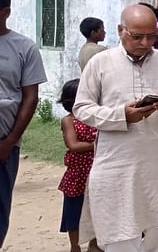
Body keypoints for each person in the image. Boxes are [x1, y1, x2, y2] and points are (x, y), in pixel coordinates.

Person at [73, 4, 158, 252]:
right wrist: (121, 115)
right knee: (120, 232)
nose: (145, 43)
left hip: (157, 163)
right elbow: (81, 108)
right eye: (137, 37)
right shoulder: (100, 62)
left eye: (151, 36)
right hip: (117, 165)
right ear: (120, 30)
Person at [0, 0, 47, 246]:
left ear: (6, 13)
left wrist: (10, 142)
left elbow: (30, 97)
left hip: (4, 143)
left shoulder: (24, 47)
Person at [57, 79, 101, 252]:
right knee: (74, 213)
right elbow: (73, 145)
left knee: (96, 210)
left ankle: (94, 244)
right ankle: (75, 246)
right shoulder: (68, 121)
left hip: (96, 172)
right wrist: (98, 145)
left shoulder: (95, 117)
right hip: (77, 175)